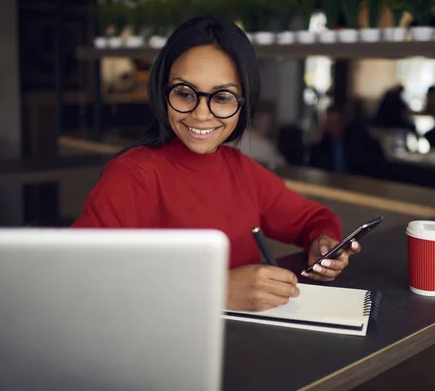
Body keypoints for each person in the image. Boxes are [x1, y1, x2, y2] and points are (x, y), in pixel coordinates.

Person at [72, 17, 360, 312]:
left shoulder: (242, 171)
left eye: (222, 97)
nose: (200, 114)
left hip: (250, 346)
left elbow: (314, 219)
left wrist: (323, 244)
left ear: (244, 103)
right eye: (184, 93)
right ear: (163, 91)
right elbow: (78, 278)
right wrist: (214, 289)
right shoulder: (133, 175)